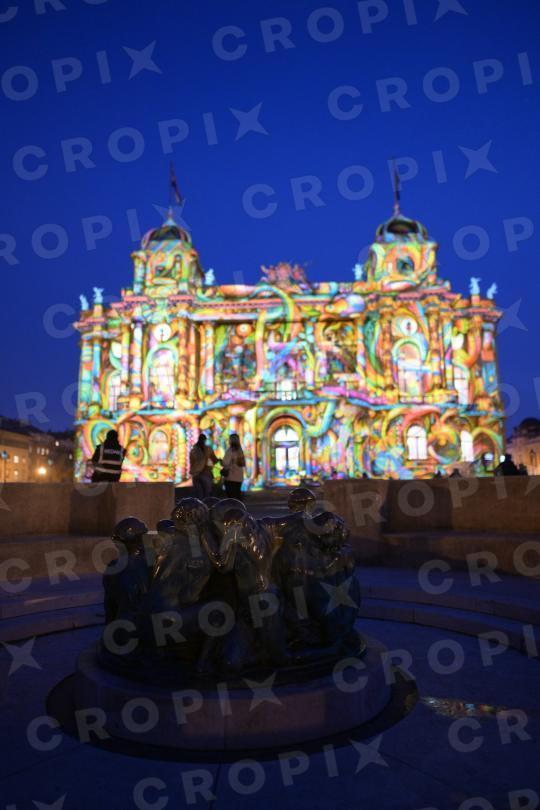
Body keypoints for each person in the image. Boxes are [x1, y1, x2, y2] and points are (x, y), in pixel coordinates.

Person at [190, 434, 219, 499]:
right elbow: (214, 460)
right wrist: (219, 460)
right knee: (206, 496)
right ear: (205, 440)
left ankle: (199, 505)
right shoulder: (208, 449)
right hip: (205, 473)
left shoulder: (193, 450)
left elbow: (192, 463)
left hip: (195, 474)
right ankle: (205, 505)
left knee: (198, 496)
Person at [221, 433, 245, 499]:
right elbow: (243, 463)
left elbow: (225, 463)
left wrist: (221, 462)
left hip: (230, 477)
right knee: (237, 495)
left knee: (231, 497)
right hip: (239, 477)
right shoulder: (240, 450)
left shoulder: (230, 450)